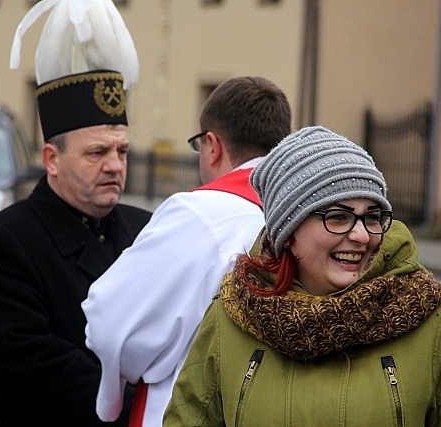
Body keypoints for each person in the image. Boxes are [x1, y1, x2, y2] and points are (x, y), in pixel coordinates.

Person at [163, 125, 441, 426]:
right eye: (338, 217)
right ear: (289, 230)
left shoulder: (432, 321)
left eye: (372, 217)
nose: (362, 236)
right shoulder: (232, 316)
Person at [0, 1, 151, 425]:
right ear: (51, 159)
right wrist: (143, 404)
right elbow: (33, 364)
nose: (115, 165)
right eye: (97, 152)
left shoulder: (147, 230)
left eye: (122, 151)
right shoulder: (1, 243)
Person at [82, 76, 292, 426]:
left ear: (213, 146)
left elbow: (110, 325)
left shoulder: (202, 214)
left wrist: (115, 390)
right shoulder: (315, 219)